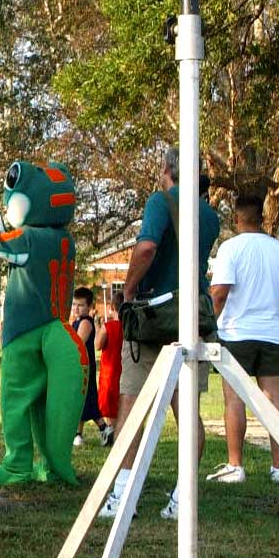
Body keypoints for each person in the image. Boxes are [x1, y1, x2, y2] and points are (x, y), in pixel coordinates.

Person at [100, 152, 221, 522]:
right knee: (188, 415)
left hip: (153, 319)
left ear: (167, 170)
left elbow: (148, 247)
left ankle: (122, 495)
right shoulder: (210, 216)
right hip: (192, 318)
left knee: (133, 409)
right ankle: (182, 496)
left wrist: (129, 291)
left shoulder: (160, 201)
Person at [208, 194, 279, 485]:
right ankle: (278, 469)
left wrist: (208, 324)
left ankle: (236, 465)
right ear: (262, 217)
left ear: (236, 218)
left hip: (236, 333)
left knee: (234, 398)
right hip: (271, 334)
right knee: (274, 399)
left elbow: (219, 293)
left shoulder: (230, 249)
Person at [70, 287, 111, 447]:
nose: (76, 308)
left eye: (80, 305)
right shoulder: (76, 321)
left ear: (89, 307)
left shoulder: (85, 322)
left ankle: (104, 428)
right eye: (74, 305)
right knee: (82, 399)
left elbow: (77, 343)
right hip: (78, 367)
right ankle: (79, 434)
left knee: (85, 400)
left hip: (84, 367)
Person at [99, 294, 122, 430]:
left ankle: (111, 429)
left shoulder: (108, 326)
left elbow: (98, 344)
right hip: (125, 369)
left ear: (112, 307)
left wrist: (98, 326)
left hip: (109, 369)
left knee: (109, 402)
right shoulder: (130, 326)